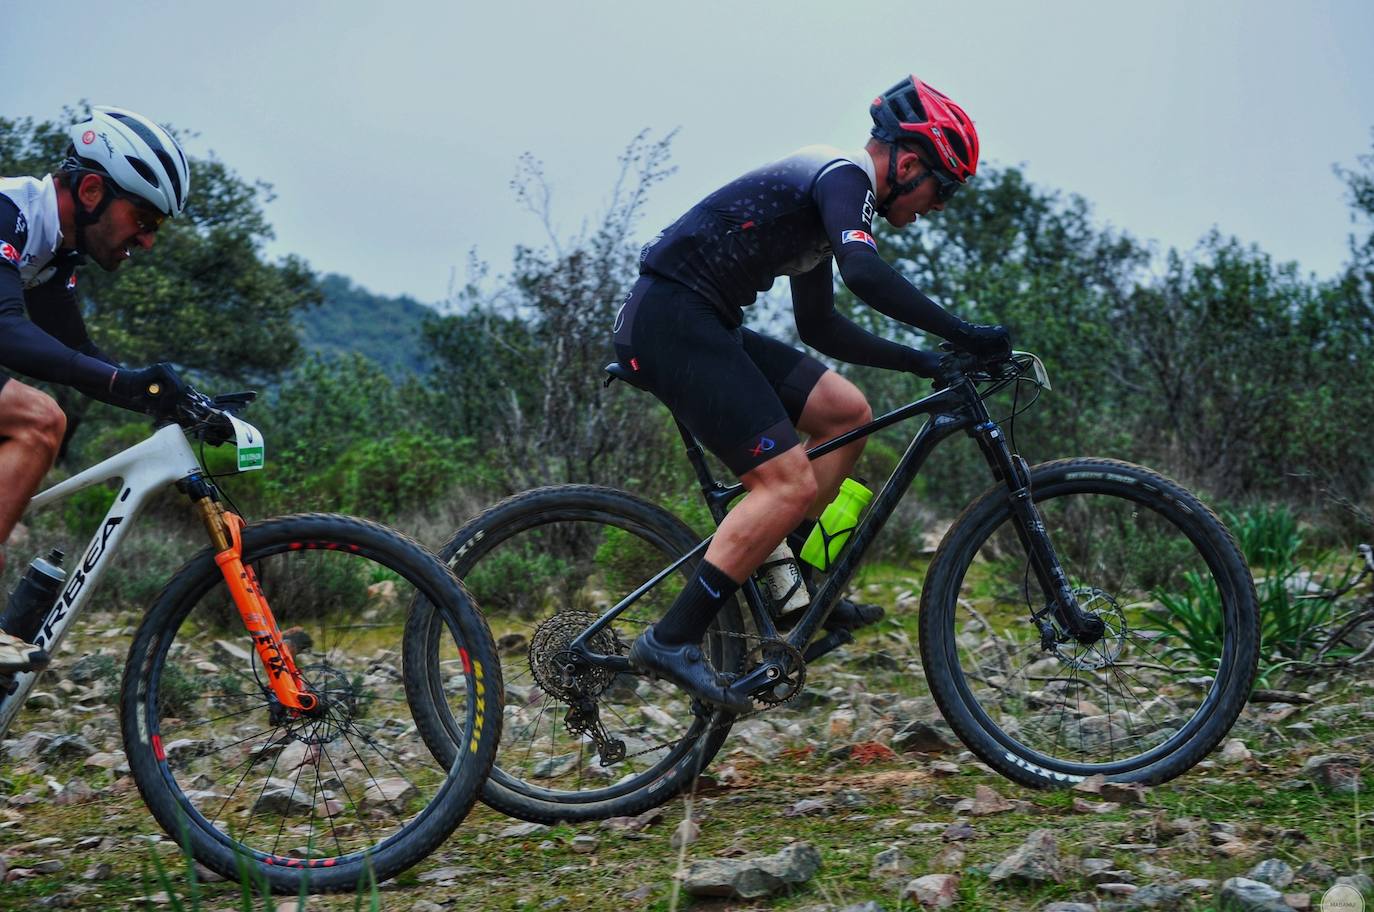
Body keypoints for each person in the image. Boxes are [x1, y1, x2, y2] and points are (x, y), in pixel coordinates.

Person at [615, 75, 1010, 710]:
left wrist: (925, 361)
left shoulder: (831, 200)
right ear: (909, 163)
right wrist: (964, 332)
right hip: (672, 320)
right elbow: (864, 271)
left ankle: (789, 586)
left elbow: (819, 325)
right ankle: (671, 638)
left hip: (700, 319)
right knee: (787, 483)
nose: (939, 206)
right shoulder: (843, 178)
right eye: (945, 187)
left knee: (844, 412)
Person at [0, 106, 190, 672]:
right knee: (40, 420)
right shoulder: (9, 212)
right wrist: (125, 382)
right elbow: (6, 328)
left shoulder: (54, 250)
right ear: (90, 191)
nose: (148, 240)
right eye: (145, 219)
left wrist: (167, 397)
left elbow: (78, 354)